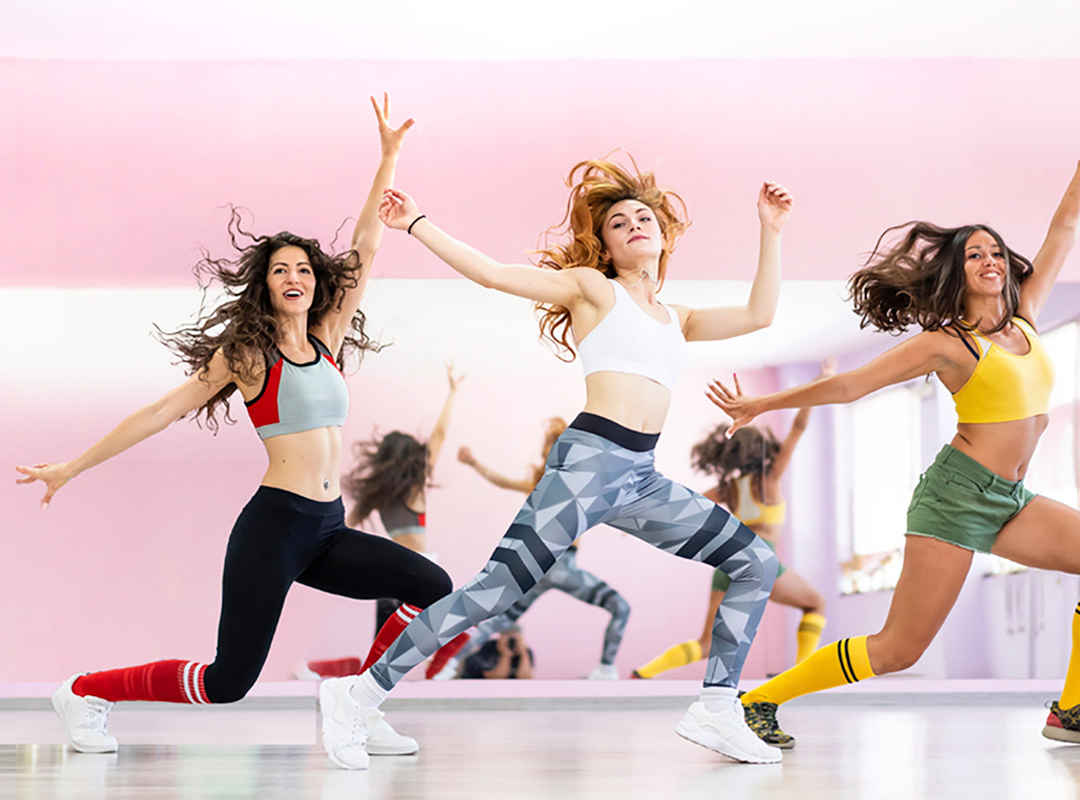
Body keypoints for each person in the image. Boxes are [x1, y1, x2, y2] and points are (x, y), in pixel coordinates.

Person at [317, 155, 795, 769]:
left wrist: (771, 231)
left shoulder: (680, 319)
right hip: (588, 467)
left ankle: (717, 706)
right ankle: (358, 696)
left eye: (643, 217)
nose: (634, 226)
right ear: (606, 245)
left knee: (755, 560)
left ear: (664, 235)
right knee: (492, 593)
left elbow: (761, 315)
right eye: (619, 223)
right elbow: (493, 275)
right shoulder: (594, 290)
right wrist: (417, 223)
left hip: (641, 478)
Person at [16, 95, 451, 758]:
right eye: (281, 270)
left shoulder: (330, 338)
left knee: (429, 584)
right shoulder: (249, 356)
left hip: (328, 528)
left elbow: (365, 244)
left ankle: (359, 707)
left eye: (304, 268)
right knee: (227, 682)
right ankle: (83, 692)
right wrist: (72, 466)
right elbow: (162, 410)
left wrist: (388, 157)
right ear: (266, 285)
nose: (295, 276)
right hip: (275, 527)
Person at [708, 120, 1080, 749]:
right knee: (898, 649)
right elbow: (851, 386)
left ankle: (1072, 709)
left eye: (996, 252)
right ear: (957, 273)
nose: (991, 261)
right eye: (975, 255)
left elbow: (1062, 236)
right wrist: (762, 403)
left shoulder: (1026, 318)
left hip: (1011, 498)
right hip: (955, 497)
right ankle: (758, 700)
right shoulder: (947, 343)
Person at [632, 362, 836, 724]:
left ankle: (645, 672)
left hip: (727, 563)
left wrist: (636, 513)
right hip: (760, 560)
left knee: (707, 641)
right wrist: (822, 381)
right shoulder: (769, 479)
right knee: (815, 602)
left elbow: (685, 503)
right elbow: (799, 428)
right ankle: (801, 674)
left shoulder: (728, 489)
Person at [441, 416, 631, 680]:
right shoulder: (581, 482)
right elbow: (612, 502)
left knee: (501, 620)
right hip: (562, 566)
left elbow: (504, 482)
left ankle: (450, 664)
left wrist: (474, 463)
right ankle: (606, 669)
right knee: (620, 607)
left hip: (539, 566)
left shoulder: (543, 482)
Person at [345, 365, 463, 637]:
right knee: (431, 633)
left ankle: (367, 676)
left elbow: (344, 528)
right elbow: (440, 436)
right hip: (421, 567)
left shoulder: (376, 496)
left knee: (383, 637)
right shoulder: (415, 488)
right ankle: (436, 669)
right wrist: (453, 393)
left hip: (389, 568)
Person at [460, 626, 535, 680]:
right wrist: (505, 655)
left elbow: (526, 678)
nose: (511, 643)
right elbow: (496, 678)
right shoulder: (486, 651)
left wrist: (523, 653)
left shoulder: (524, 653)